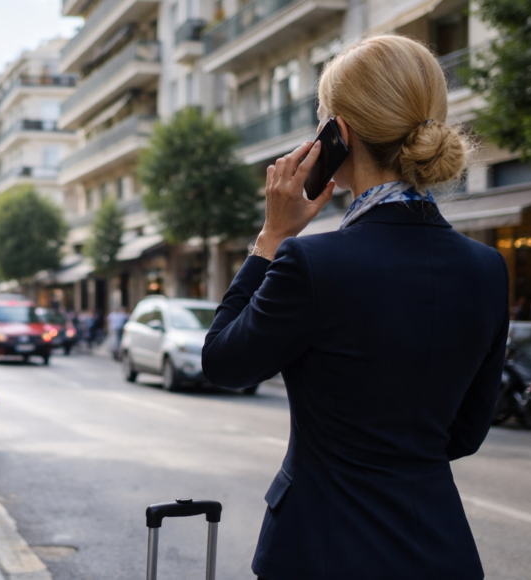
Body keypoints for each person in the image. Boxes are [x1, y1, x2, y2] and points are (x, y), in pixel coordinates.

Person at [201, 35, 509, 580]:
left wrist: (270, 238)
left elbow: (223, 363)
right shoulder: (487, 269)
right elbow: (465, 433)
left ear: (337, 135)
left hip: (321, 552)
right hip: (442, 553)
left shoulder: (312, 262)